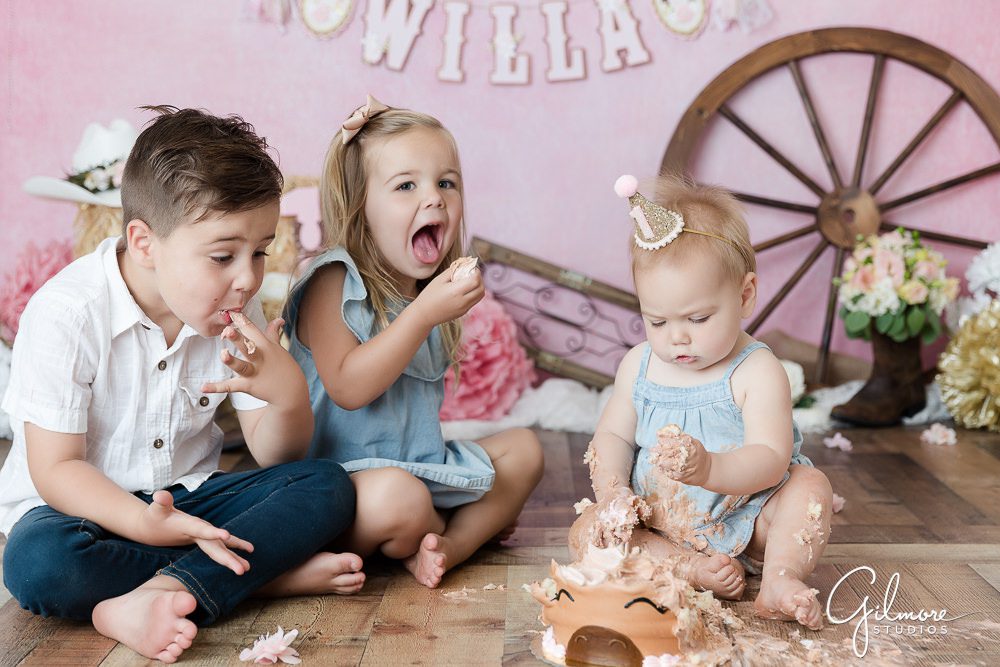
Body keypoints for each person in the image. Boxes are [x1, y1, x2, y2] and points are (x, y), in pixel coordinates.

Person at [0, 107, 360, 663]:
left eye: (260, 251)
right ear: (144, 243)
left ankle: (161, 592)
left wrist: (286, 392)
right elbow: (56, 470)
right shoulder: (66, 314)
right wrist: (143, 522)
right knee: (38, 563)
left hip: (191, 504)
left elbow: (275, 455)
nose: (248, 277)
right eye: (223, 256)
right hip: (82, 516)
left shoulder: (234, 309)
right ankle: (257, 580)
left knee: (326, 485)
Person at [283, 95, 544, 589]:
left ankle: (448, 545)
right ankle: (453, 529)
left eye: (446, 182)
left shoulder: (425, 292)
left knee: (525, 449)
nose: (434, 198)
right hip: (341, 488)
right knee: (400, 500)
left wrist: (428, 310)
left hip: (419, 469)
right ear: (361, 207)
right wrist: (423, 316)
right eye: (406, 185)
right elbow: (348, 387)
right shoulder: (332, 281)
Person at [569, 174, 833, 630]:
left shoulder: (756, 371)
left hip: (747, 520)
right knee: (587, 531)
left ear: (745, 295)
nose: (677, 337)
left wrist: (710, 469)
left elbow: (771, 459)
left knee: (810, 488)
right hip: (656, 523)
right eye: (656, 320)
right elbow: (611, 434)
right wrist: (613, 493)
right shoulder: (639, 365)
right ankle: (688, 568)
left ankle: (779, 576)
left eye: (698, 317)